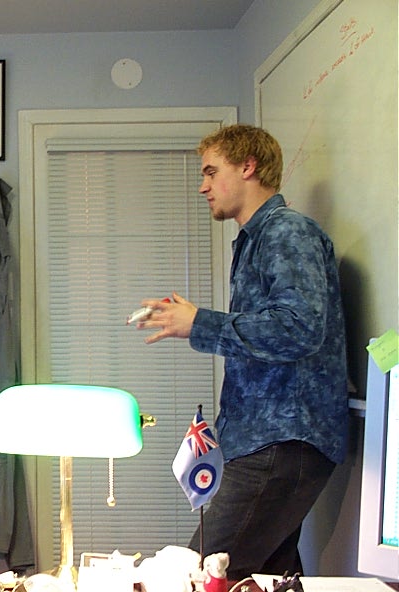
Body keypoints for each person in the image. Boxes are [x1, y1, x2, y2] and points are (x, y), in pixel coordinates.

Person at [137, 124, 348, 579]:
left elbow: (300, 328)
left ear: (248, 166)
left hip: (283, 441)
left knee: (201, 576)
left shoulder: (287, 233)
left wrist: (200, 322)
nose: (203, 185)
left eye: (212, 171)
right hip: (268, 441)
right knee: (261, 581)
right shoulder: (256, 239)